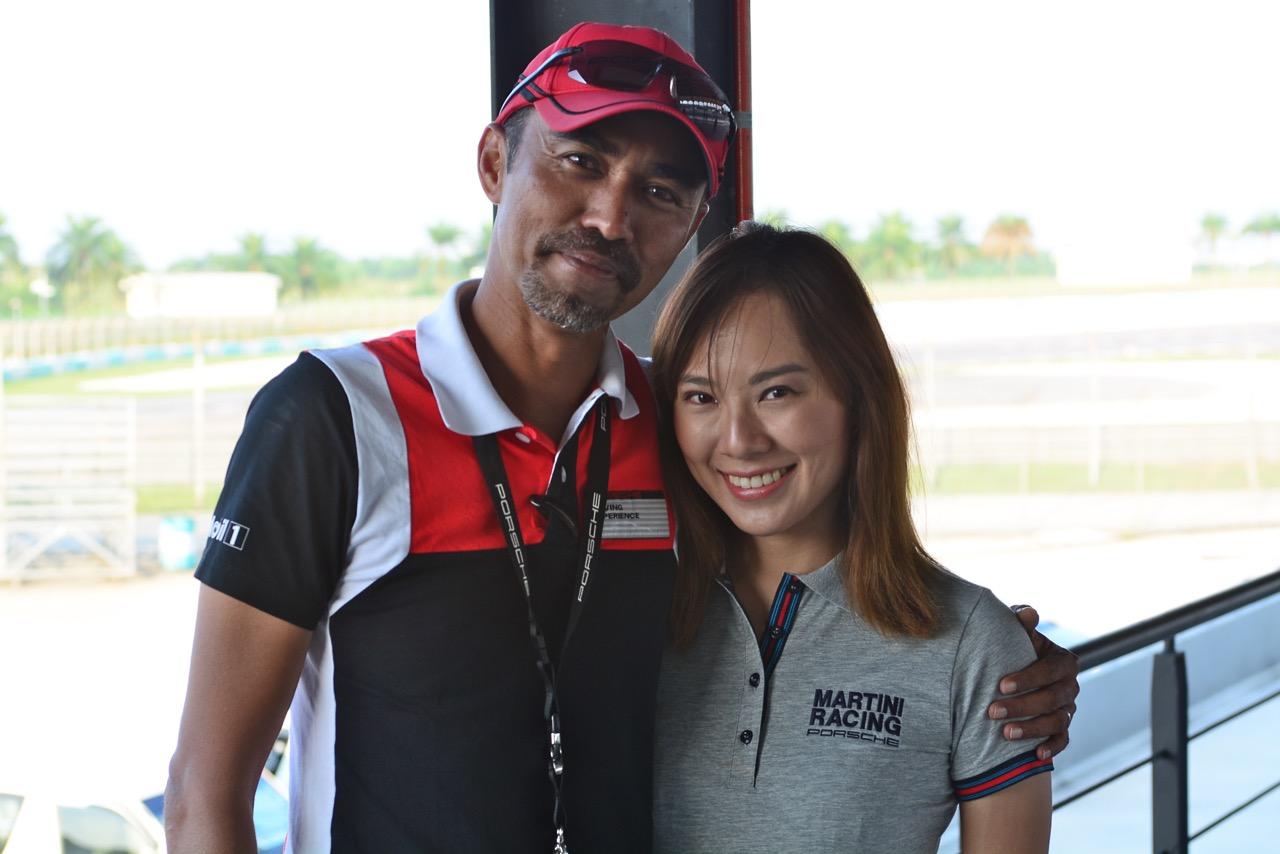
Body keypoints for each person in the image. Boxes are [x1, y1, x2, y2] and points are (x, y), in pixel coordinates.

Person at [165, 22, 1077, 854]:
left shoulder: (674, 421)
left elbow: (814, 578)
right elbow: (206, 796)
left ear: (688, 229)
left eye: (659, 191)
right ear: (493, 162)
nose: (610, 217)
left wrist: (1004, 667)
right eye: (579, 159)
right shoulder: (333, 417)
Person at [650, 221, 1054, 852]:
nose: (738, 441)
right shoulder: (630, 616)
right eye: (700, 397)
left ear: (859, 398)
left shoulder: (974, 643)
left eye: (776, 392)